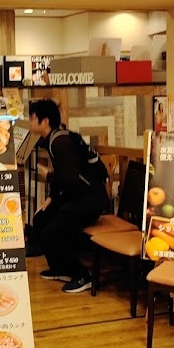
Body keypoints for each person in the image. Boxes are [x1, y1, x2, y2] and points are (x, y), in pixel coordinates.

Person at [27, 99, 107, 293]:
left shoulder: (60, 142)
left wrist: (48, 175)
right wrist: (51, 198)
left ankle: (82, 276)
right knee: (40, 219)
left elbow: (69, 178)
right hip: (78, 195)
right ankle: (60, 268)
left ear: (45, 121)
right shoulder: (55, 138)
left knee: (52, 232)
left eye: (32, 117)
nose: (30, 121)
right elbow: (67, 176)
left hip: (90, 200)